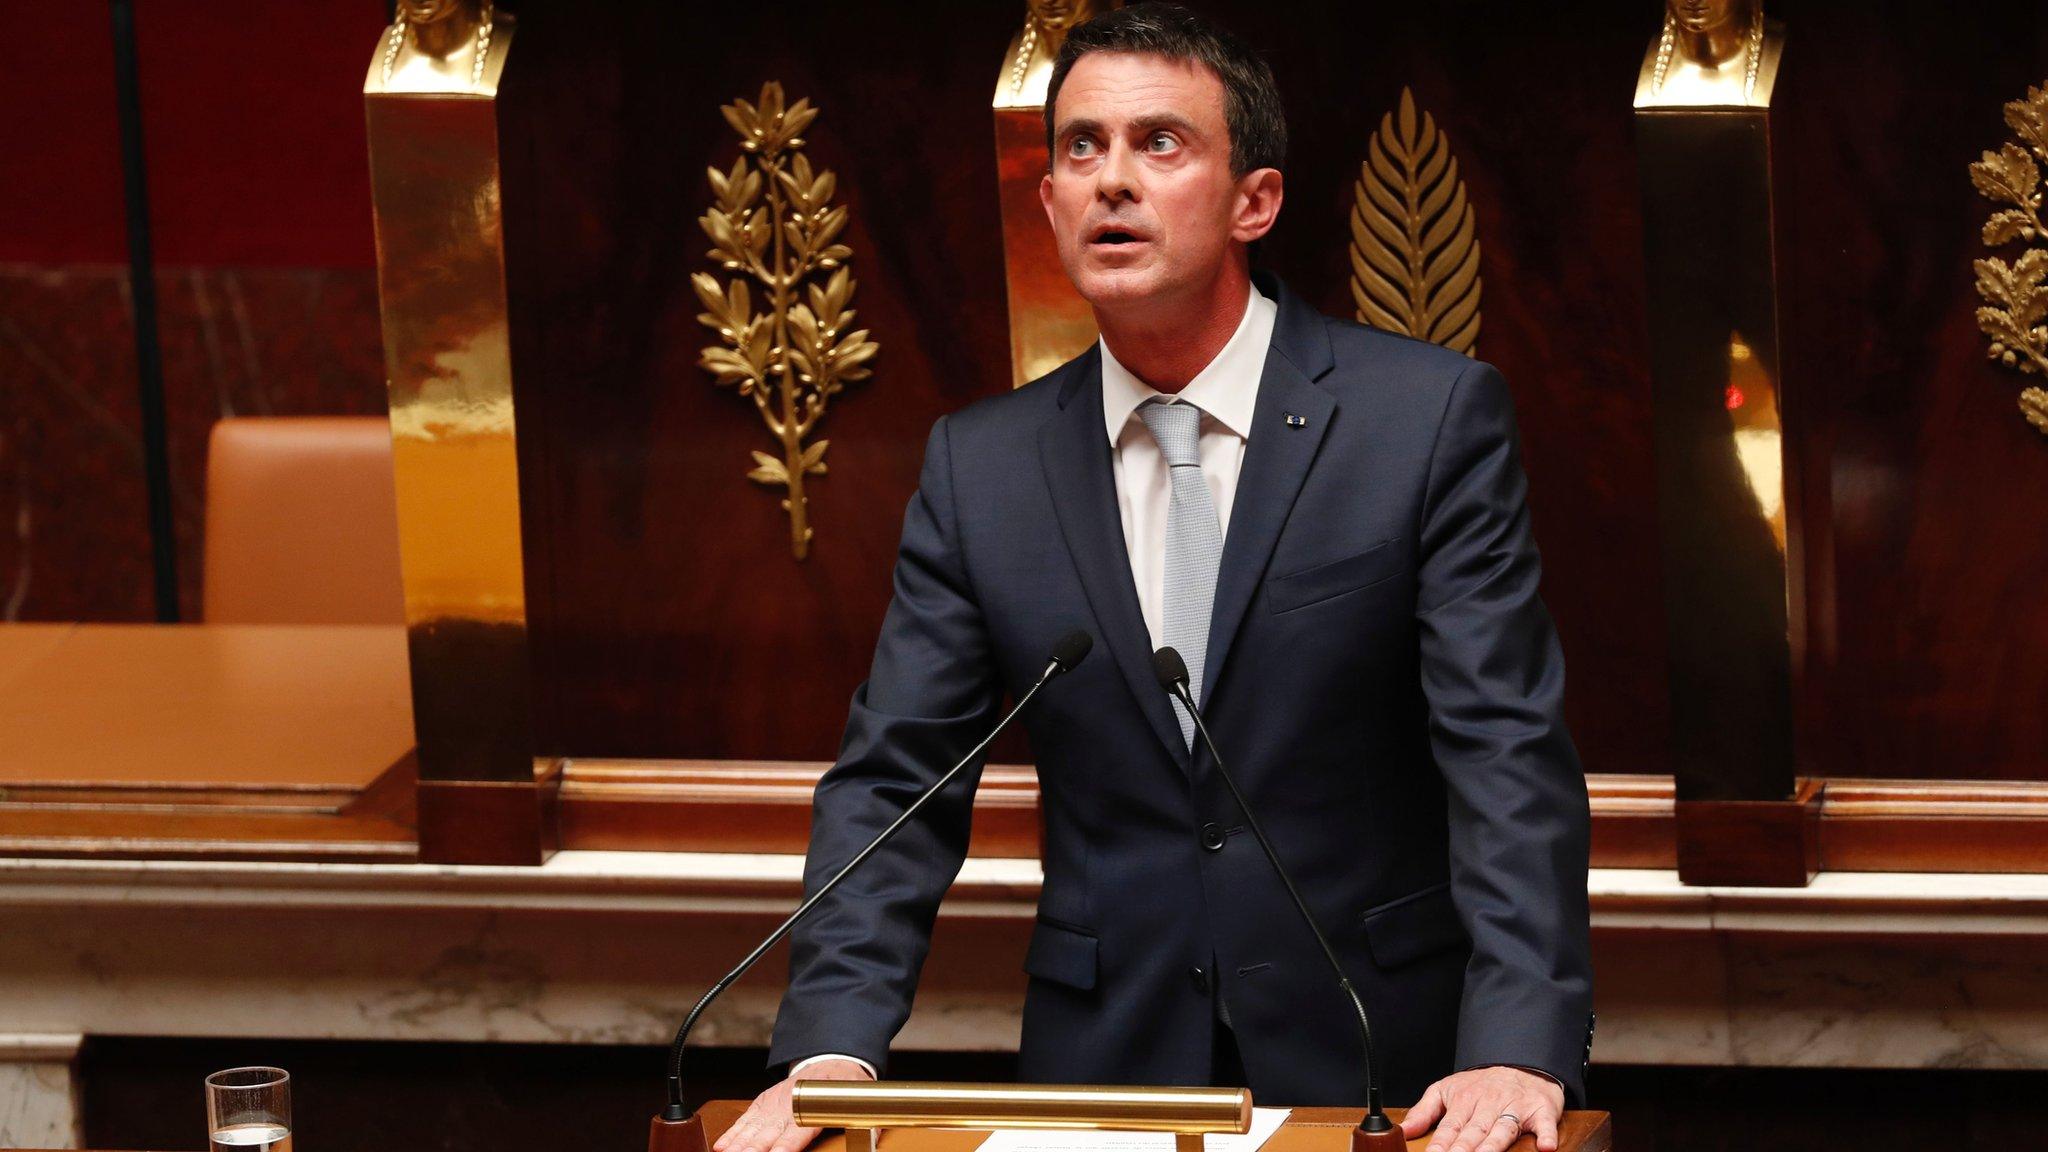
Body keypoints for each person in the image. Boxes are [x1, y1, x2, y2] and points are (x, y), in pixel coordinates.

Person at [715, 7, 1592, 1152]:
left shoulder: (1420, 421)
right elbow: (895, 784)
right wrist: (828, 1051)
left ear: (1253, 201)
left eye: (1158, 144)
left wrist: (1518, 1041)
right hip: (1104, 1075)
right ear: (1047, 202)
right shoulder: (982, 467)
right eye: (1080, 149)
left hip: (1386, 1063)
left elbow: (1503, 753)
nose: (1110, 182)